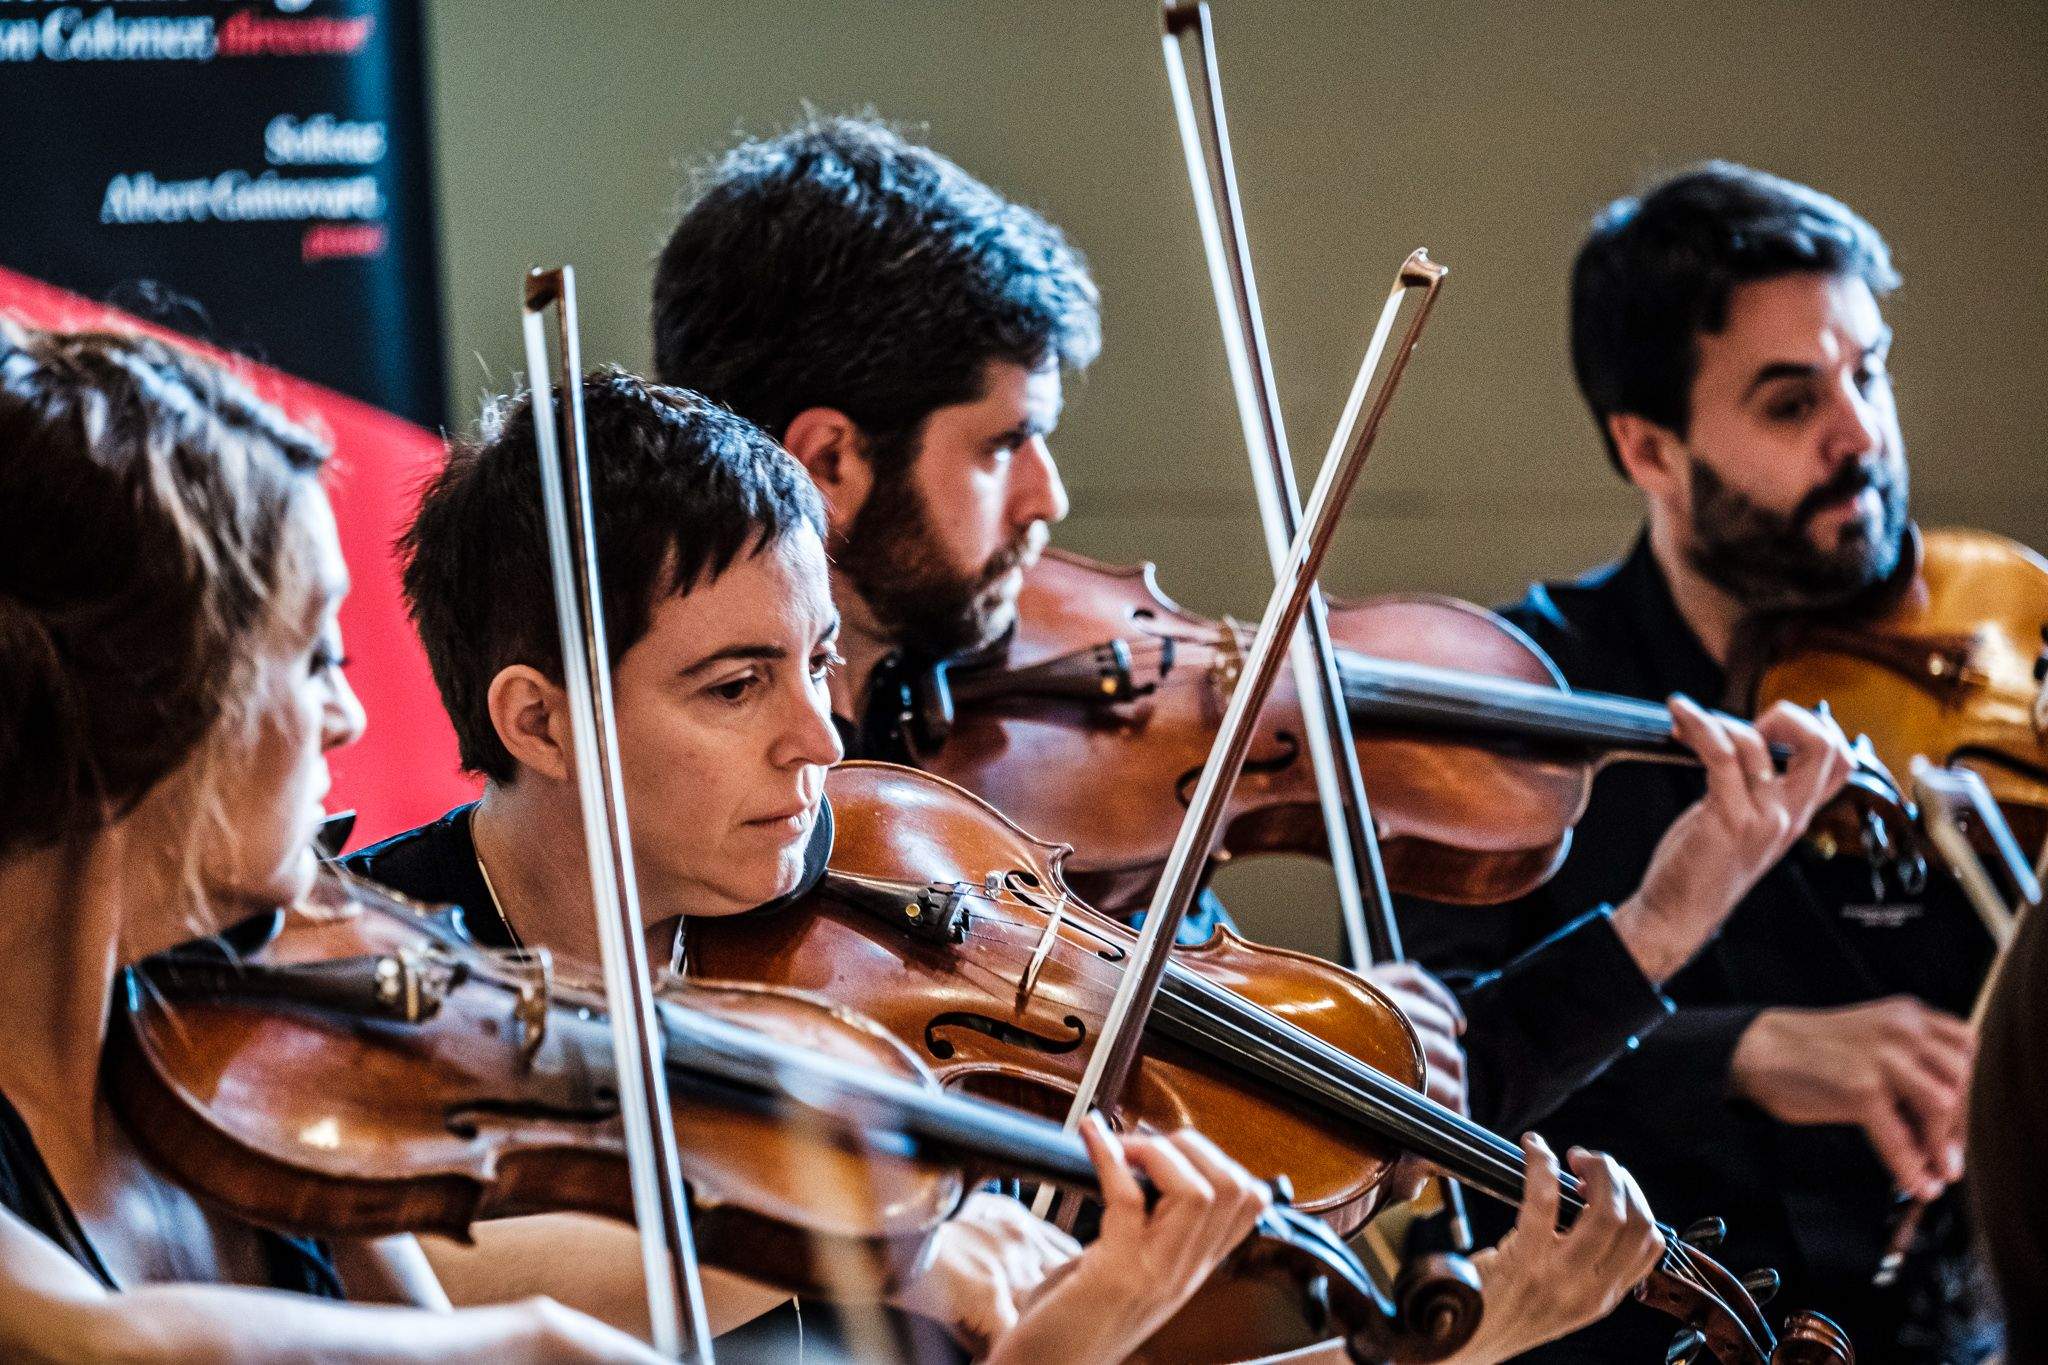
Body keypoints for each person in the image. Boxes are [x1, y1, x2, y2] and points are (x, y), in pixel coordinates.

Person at [355, 366, 1672, 1363]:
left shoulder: (866, 985)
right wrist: (870, 1235)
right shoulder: (370, 981)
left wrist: (1467, 1344)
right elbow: (447, 1268)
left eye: (816, 662)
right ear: (538, 720)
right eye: (736, 685)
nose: (819, 736)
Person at [646, 115, 1856, 1139]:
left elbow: (1377, 1121)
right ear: (825, 463)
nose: (1049, 501)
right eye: (1004, 443)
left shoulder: (1091, 819)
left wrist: (1650, 928)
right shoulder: (682, 844)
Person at [1399, 163, 1998, 1361]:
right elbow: (1434, 1072)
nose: (1859, 437)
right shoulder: (1511, 701)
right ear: (1649, 449)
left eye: (1866, 375)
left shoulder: (1976, 671)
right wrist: (1739, 1052)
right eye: (1790, 405)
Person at [0, 321, 669, 1362]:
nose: (347, 717)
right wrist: (528, 1343)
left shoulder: (253, 1069)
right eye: (314, 655)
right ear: (155, 697)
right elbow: (111, 1346)